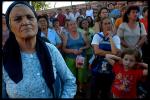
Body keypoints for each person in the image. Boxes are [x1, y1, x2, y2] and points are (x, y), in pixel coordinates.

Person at [2, 1, 77, 98]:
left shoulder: (50, 49)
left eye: (30, 17)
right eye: (17, 19)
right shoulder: (5, 57)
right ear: (10, 27)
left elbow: (69, 81)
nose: (25, 22)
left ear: (36, 23)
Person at [91, 17, 121, 99]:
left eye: (109, 23)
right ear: (101, 25)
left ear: (112, 25)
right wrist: (111, 53)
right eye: (105, 23)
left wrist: (110, 37)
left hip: (111, 66)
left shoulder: (115, 37)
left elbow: (116, 53)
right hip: (97, 66)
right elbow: (96, 51)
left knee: (106, 90)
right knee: (94, 90)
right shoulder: (97, 36)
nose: (107, 25)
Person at [62, 20, 90, 95]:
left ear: (77, 25)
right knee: (72, 75)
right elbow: (63, 48)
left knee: (81, 75)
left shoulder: (82, 34)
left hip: (81, 58)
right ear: (68, 27)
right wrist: (72, 51)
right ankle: (74, 89)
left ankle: (80, 88)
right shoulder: (66, 36)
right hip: (70, 59)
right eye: (70, 25)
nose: (73, 26)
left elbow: (88, 45)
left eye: (74, 24)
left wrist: (82, 48)